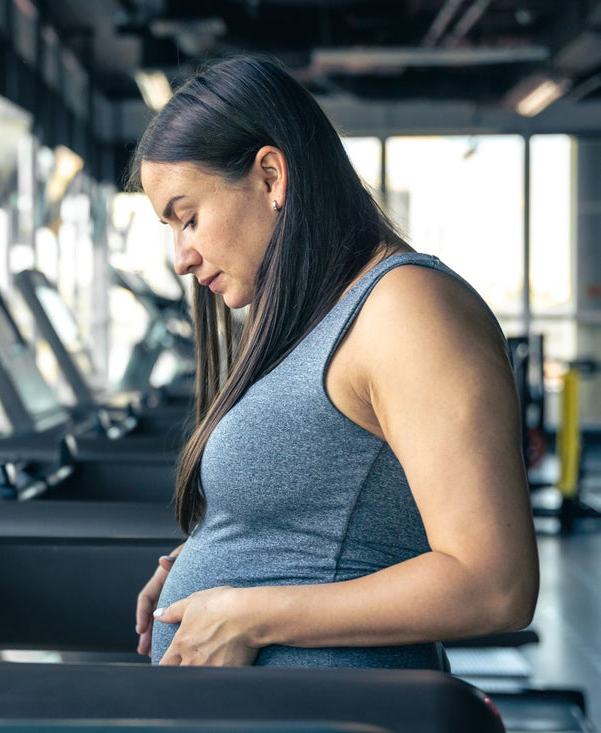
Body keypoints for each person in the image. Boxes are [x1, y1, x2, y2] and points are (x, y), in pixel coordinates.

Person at [130, 56, 539, 669]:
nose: (182, 257)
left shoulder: (408, 309)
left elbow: (494, 584)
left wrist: (247, 613)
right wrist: (212, 553)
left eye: (189, 218)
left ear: (270, 177)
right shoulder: (314, 317)